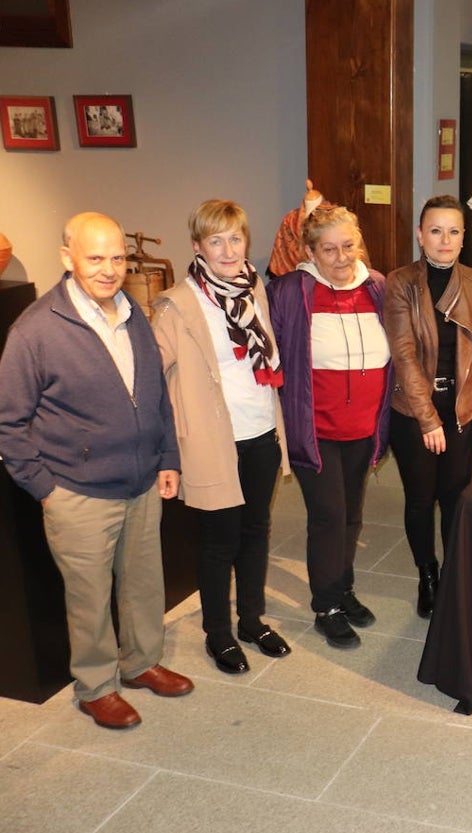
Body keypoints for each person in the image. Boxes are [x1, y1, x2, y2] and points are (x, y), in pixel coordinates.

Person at [0, 212, 193, 729]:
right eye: (95, 258)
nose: (109, 269)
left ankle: (141, 663)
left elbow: (155, 400)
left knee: (143, 584)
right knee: (88, 598)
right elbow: (9, 423)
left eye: (117, 257)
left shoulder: (134, 315)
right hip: (77, 492)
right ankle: (95, 686)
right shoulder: (36, 330)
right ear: (68, 258)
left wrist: (167, 458)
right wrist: (46, 489)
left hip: (142, 481)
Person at [152, 200, 291, 675]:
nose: (228, 249)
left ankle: (251, 619)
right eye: (216, 240)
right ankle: (219, 634)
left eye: (235, 238)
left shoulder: (254, 288)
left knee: (256, 531)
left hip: (261, 430)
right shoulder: (178, 305)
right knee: (219, 541)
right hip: (212, 441)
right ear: (198, 246)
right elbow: (151, 379)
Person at [384, 196, 472, 620]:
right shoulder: (401, 281)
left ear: (464, 238)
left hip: (464, 408)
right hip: (414, 410)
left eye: (454, 231)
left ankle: (456, 574)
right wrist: (427, 417)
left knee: (456, 496)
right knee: (421, 498)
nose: (445, 240)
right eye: (436, 231)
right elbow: (403, 353)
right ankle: (428, 573)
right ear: (421, 235)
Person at [268, 206, 390, 649]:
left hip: (363, 426)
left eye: (348, 246)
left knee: (352, 516)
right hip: (315, 429)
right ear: (310, 252)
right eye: (329, 250)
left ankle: (344, 589)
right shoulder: (289, 291)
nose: (341, 258)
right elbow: (272, 358)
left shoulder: (377, 286)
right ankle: (327, 606)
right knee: (329, 516)